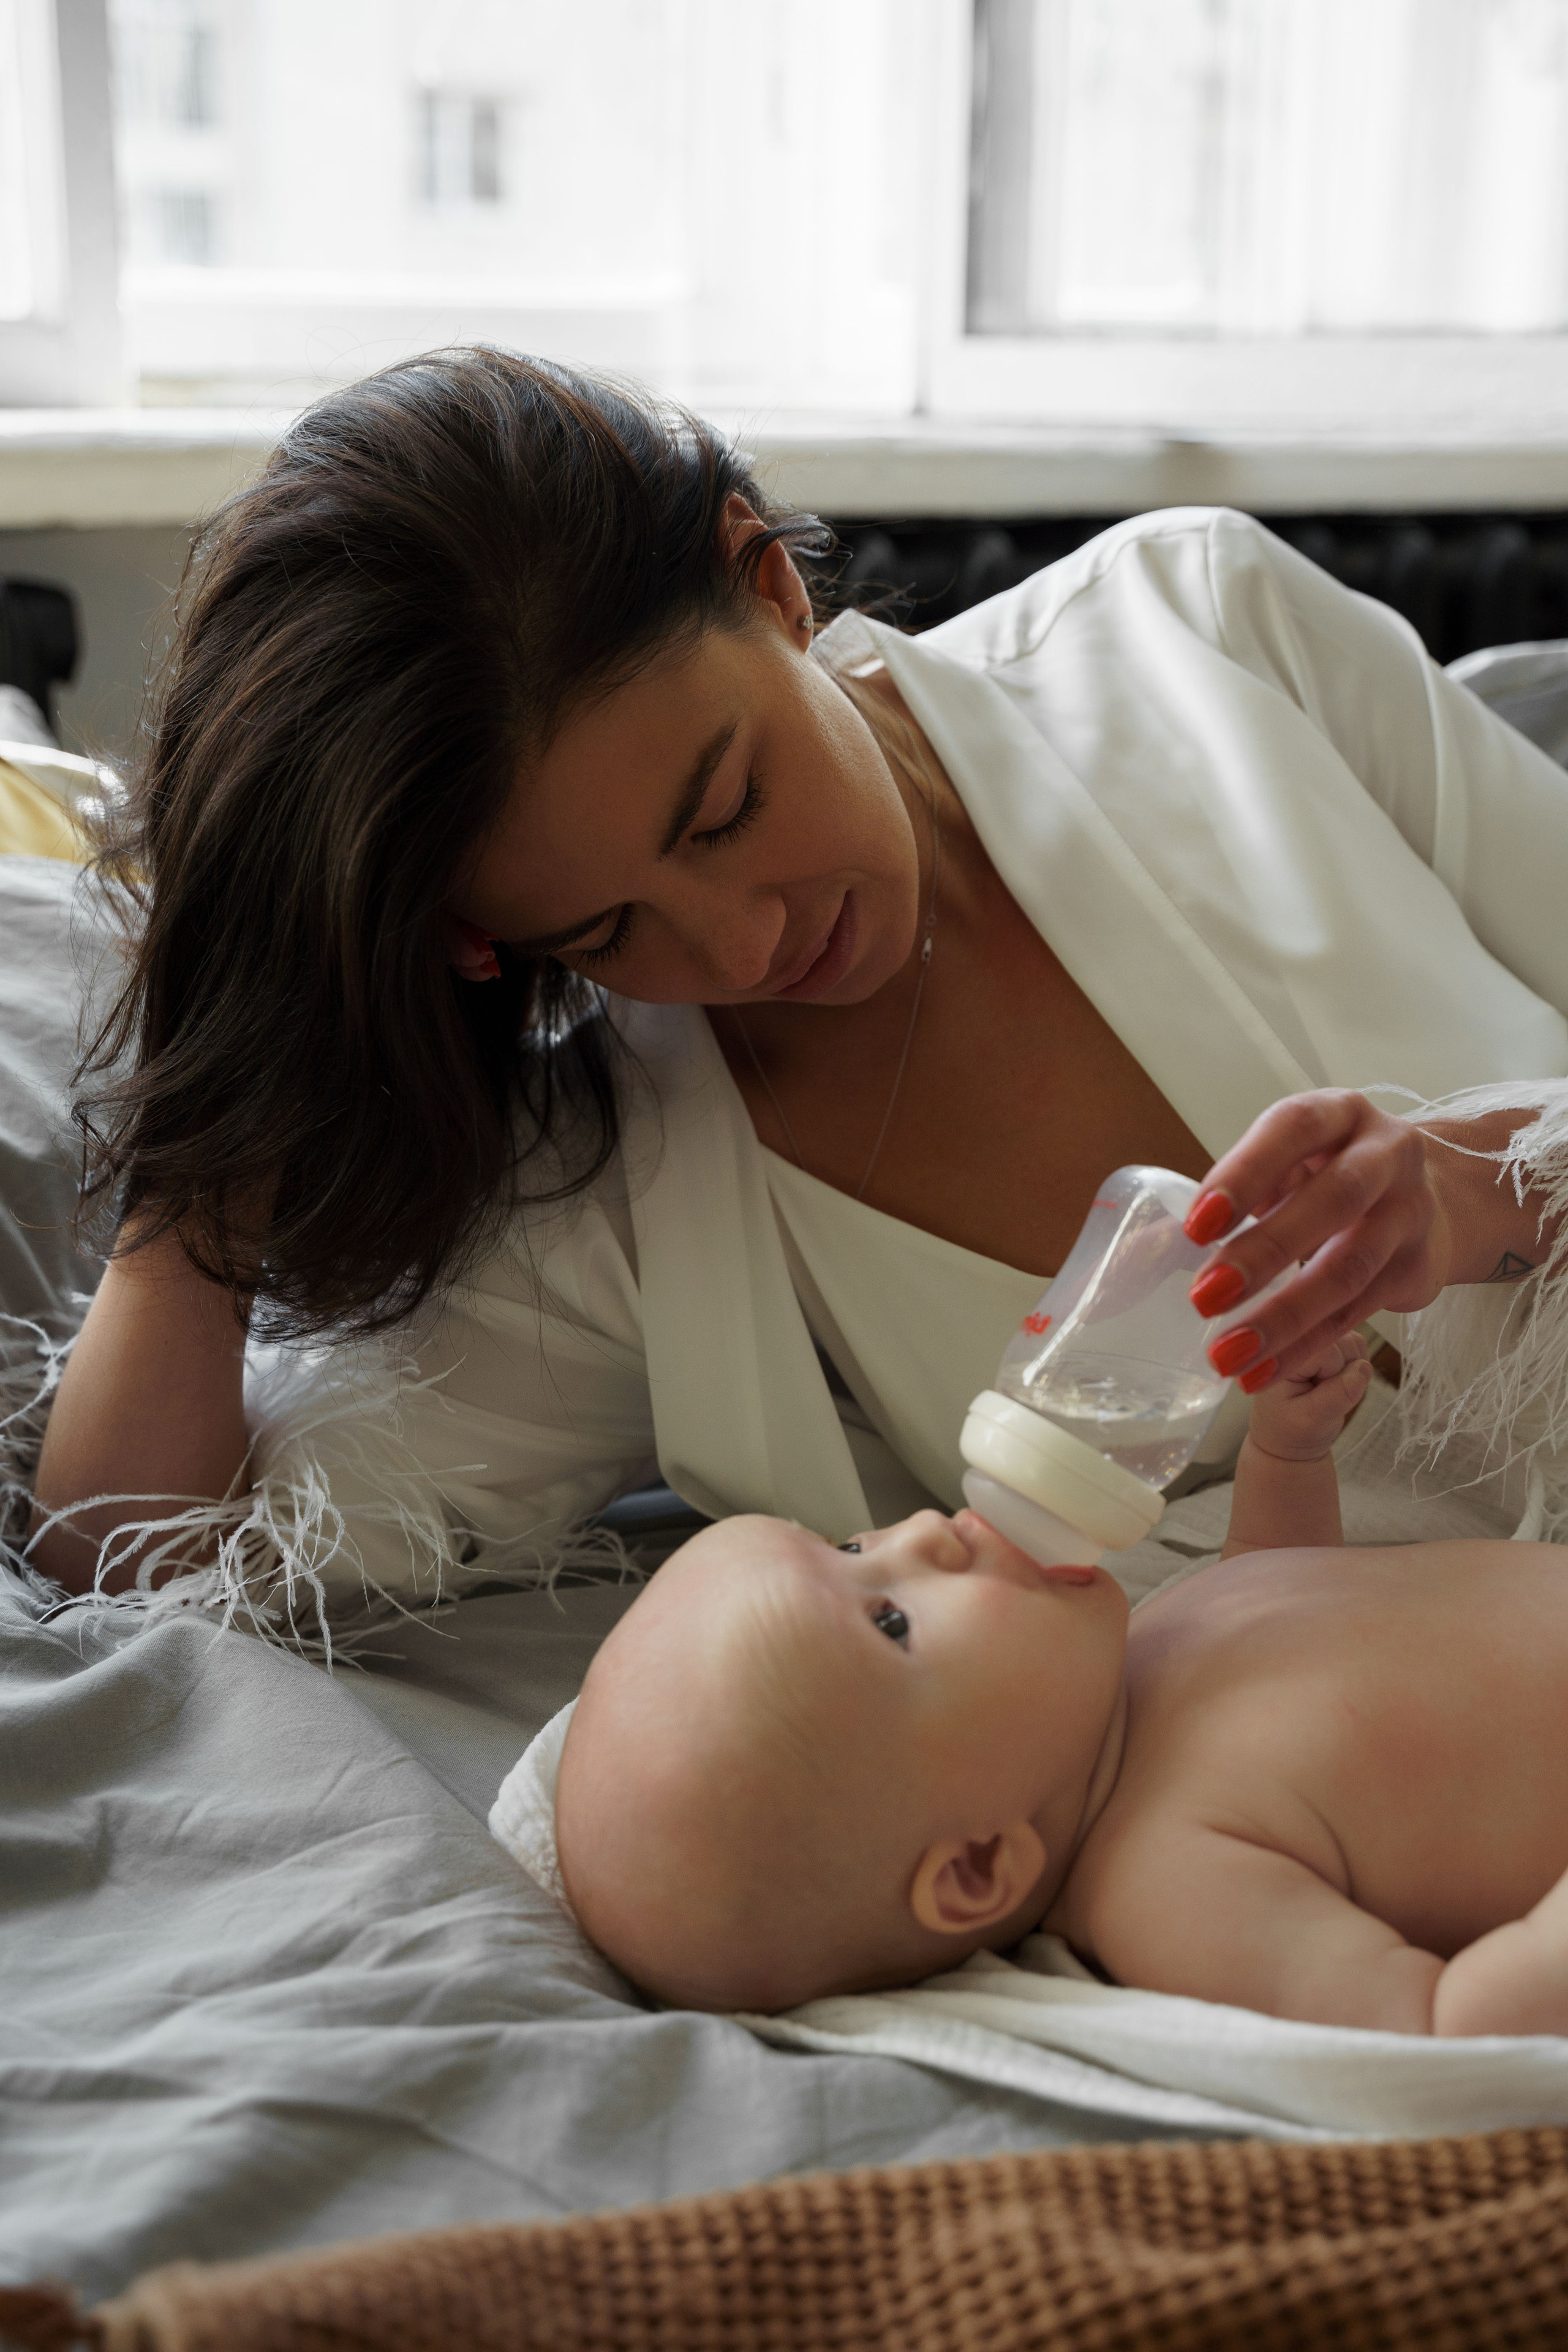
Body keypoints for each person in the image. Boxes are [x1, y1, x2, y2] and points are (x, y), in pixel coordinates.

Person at [26, 346, 1568, 1611]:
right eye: (604, 931)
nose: (739, 951)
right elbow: (132, 1559)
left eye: (724, 809)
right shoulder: (621, 1211)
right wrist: (226, 1088)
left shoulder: (1203, 633)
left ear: (764, 583)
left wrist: (1476, 1192)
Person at [548, 1327, 1568, 2036]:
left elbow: (1280, 1587)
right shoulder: (1166, 1885)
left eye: (852, 1545)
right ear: (979, 1865)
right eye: (890, 1621)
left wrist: (1286, 1456)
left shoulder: (1125, 1674)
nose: (920, 1533)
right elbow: (1438, 2022)